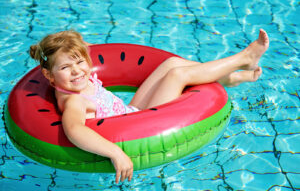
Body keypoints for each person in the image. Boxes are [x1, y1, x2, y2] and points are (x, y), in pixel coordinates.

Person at [29, 29, 269, 183]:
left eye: (80, 62)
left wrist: (73, 43)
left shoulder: (75, 77)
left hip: (130, 113)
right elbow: (74, 130)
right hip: (139, 126)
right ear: (49, 76)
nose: (76, 71)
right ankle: (244, 58)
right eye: (65, 68)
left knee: (172, 63)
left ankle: (226, 78)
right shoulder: (74, 100)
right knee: (176, 76)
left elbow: (82, 51)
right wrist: (116, 153)